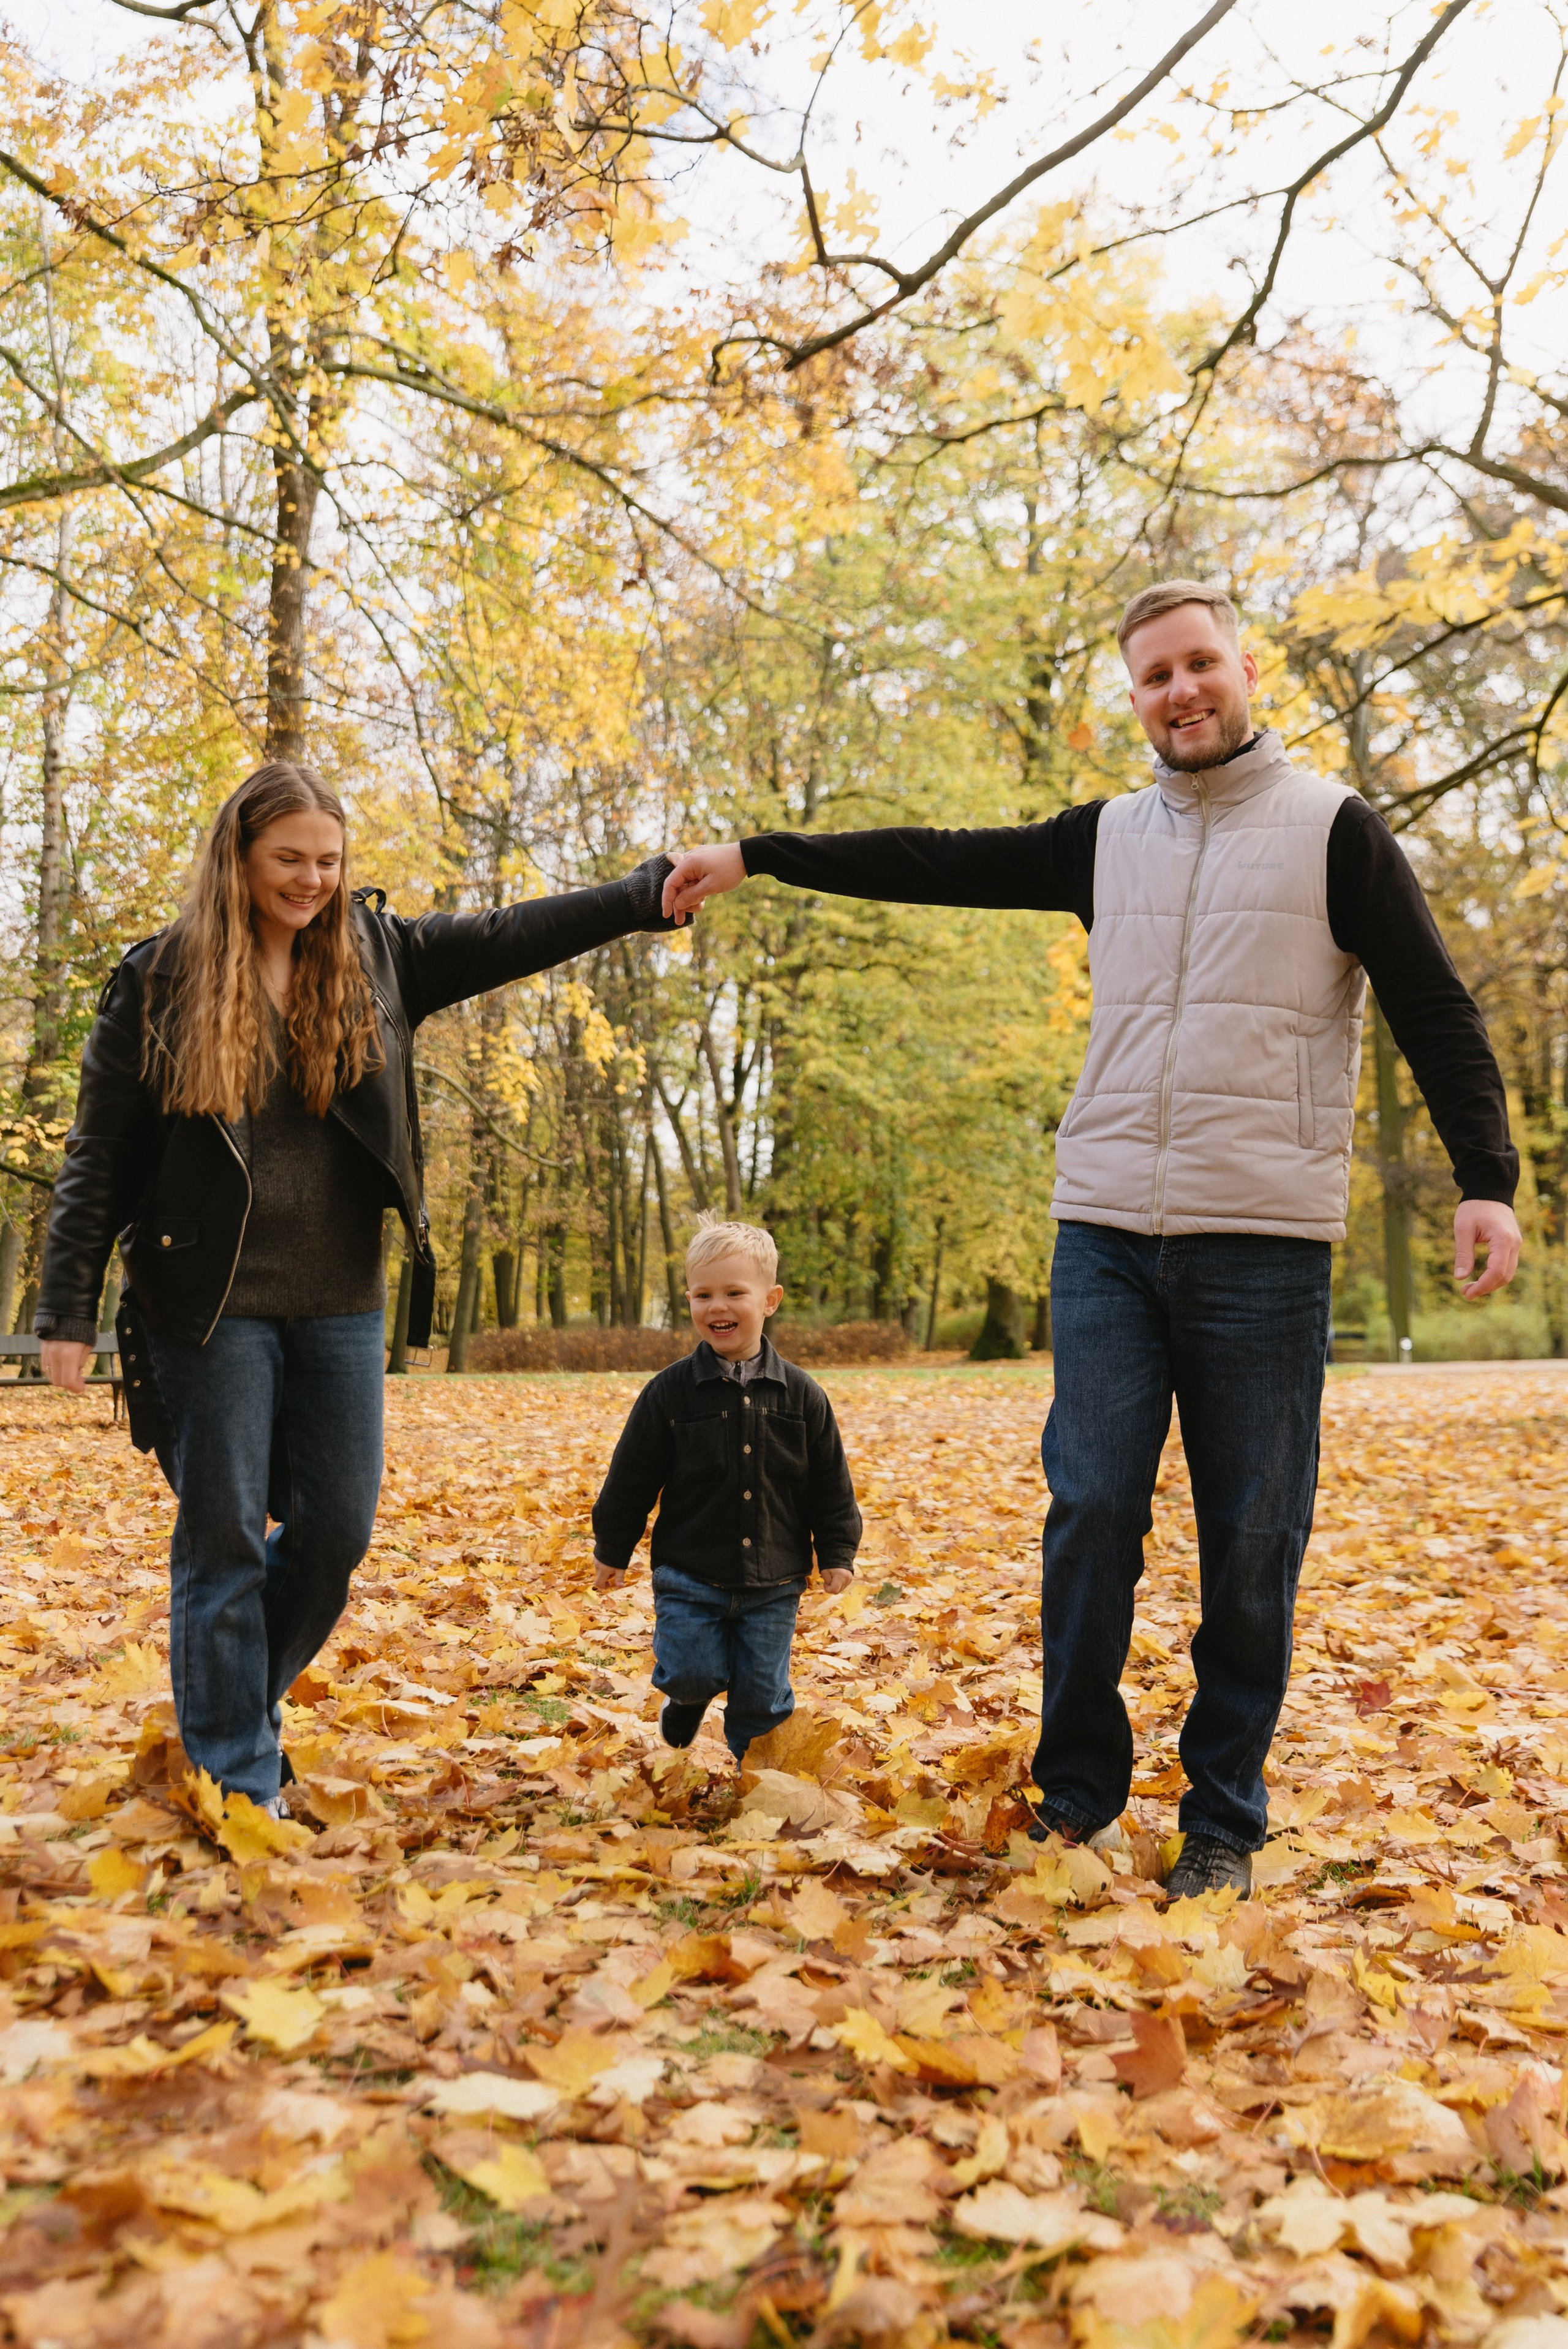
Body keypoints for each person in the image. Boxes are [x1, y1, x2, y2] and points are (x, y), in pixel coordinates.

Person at [656, 581, 1521, 1897]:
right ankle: (1076, 1795)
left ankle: (1223, 1815)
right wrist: (763, 853)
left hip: (1261, 1240)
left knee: (1251, 1535)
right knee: (1092, 1509)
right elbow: (933, 859)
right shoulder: (1104, 839)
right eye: (1152, 676)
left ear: (1240, 670)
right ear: (1134, 698)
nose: (1178, 691)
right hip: (1107, 1229)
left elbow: (1432, 1004)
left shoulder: (1331, 830)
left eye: (1197, 664)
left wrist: (1484, 1177)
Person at [36, 758, 679, 1814]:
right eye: (288, 859)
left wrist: (641, 893)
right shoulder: (159, 980)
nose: (311, 880)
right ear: (237, 857)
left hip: (342, 1303)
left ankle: (231, 1711)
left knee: (336, 1534)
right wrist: (65, 1306)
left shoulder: (381, 957)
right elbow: (97, 1157)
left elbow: (518, 930)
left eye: (328, 861)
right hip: (207, 1304)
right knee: (226, 1534)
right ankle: (240, 1783)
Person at [591, 1216, 862, 1760]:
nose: (718, 1306)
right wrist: (612, 1548)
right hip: (690, 1570)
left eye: (735, 1292)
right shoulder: (669, 1393)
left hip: (775, 1576)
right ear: (688, 1299)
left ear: (770, 1300)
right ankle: (687, 1701)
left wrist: (836, 1550)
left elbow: (830, 1481)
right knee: (693, 1670)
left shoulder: (803, 1396)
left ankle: (755, 1779)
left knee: (762, 1697)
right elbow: (631, 1476)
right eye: (703, 1294)